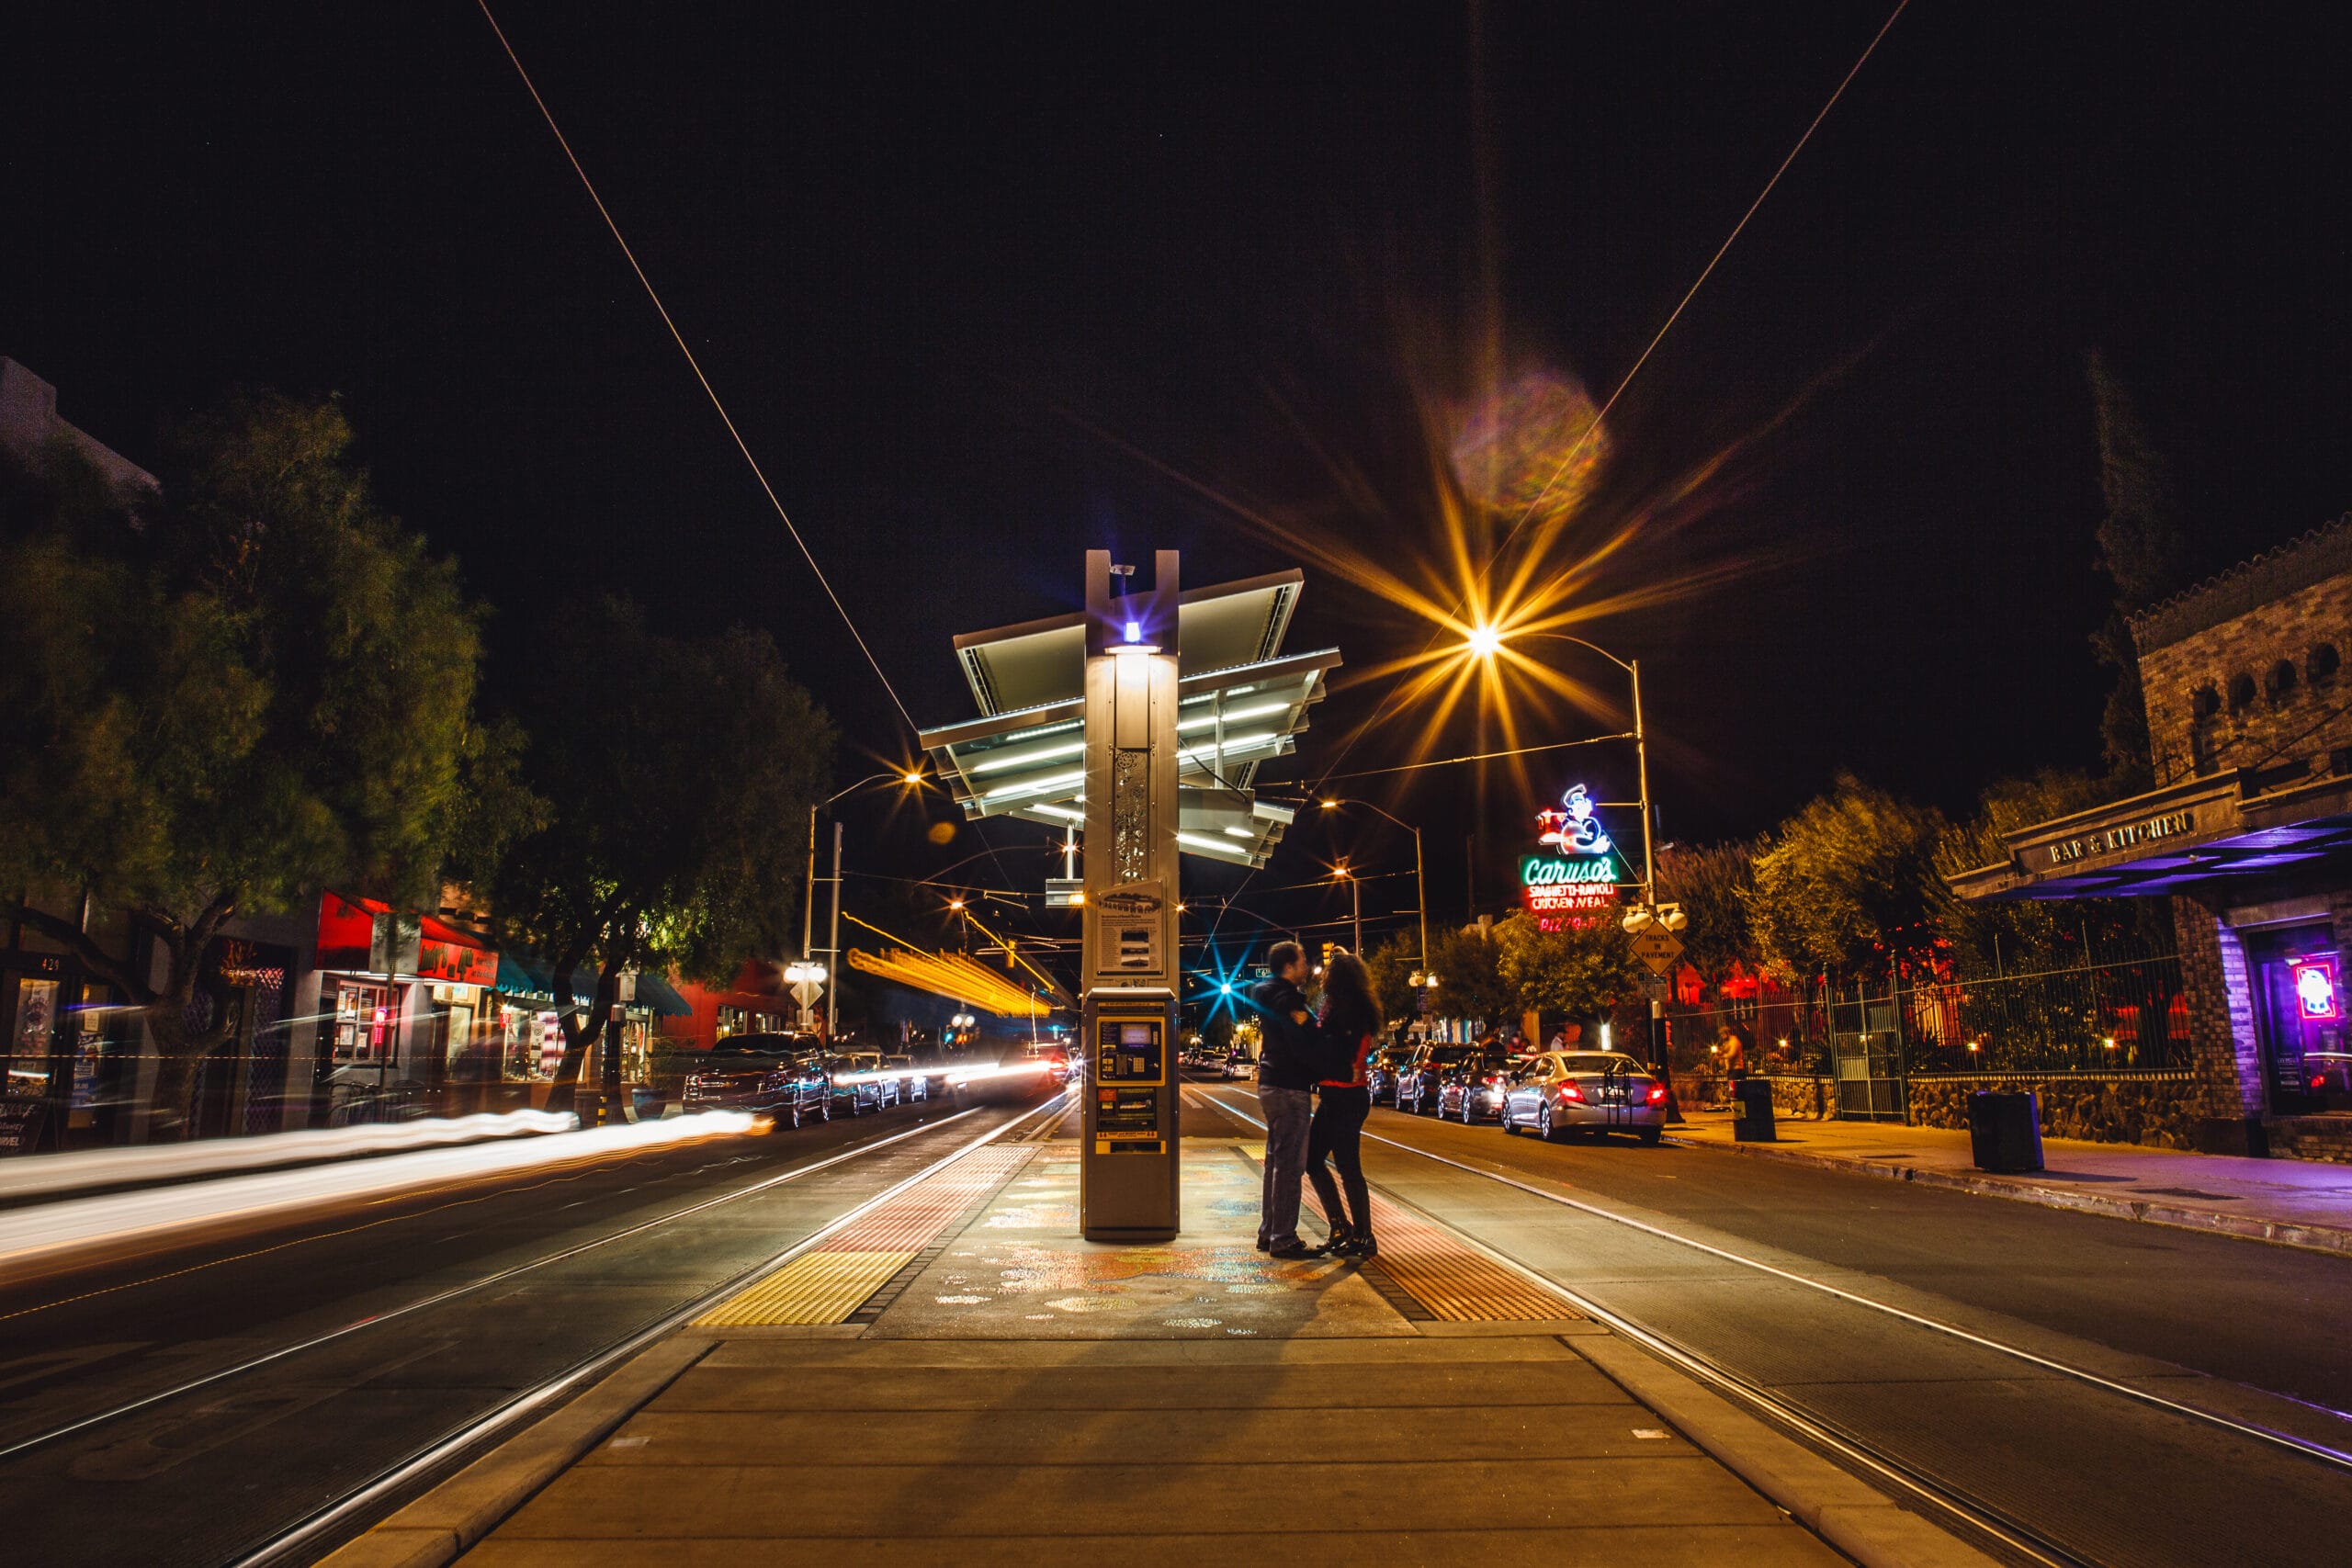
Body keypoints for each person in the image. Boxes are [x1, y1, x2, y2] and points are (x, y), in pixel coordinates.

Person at [1248, 941, 1324, 1258]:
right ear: (1289, 966)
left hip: (1270, 1083)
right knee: (1291, 1163)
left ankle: (1269, 1231)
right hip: (1290, 1086)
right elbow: (1304, 1043)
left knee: (1276, 1162)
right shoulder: (1289, 1001)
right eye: (1303, 960)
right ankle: (1284, 1237)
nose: (1307, 965)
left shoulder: (1268, 995)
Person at [1306, 952, 1381, 1258]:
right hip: (1335, 1095)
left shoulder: (1350, 1012)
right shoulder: (1339, 1008)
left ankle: (1364, 1235)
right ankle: (1341, 1226)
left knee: (1349, 1167)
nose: (1324, 979)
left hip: (1346, 1096)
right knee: (1312, 1159)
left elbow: (1340, 1054)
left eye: (1328, 975)